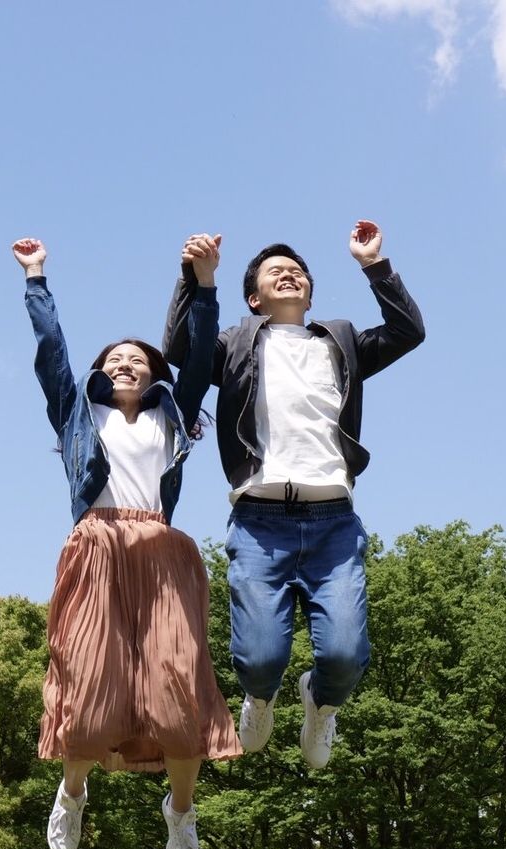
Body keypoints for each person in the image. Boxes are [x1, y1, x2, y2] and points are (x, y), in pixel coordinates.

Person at [13, 235, 240, 849]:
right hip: (97, 546)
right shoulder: (77, 413)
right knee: (88, 686)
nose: (125, 365)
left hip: (161, 549)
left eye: (137, 360)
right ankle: (73, 793)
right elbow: (52, 354)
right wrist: (36, 279)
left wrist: (205, 283)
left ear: (152, 375)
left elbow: (199, 353)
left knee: (178, 693)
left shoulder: (174, 416)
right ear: (100, 373)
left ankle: (181, 812)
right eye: (114, 359)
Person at [162, 220, 425, 770]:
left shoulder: (341, 342)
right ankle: (259, 698)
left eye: (298, 271)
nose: (289, 274)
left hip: (333, 521)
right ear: (254, 298)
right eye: (275, 271)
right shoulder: (235, 345)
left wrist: (374, 265)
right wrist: (195, 279)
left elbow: (407, 331)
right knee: (259, 658)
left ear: (309, 293)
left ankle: (320, 703)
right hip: (260, 522)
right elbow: (181, 349)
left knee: (346, 655)